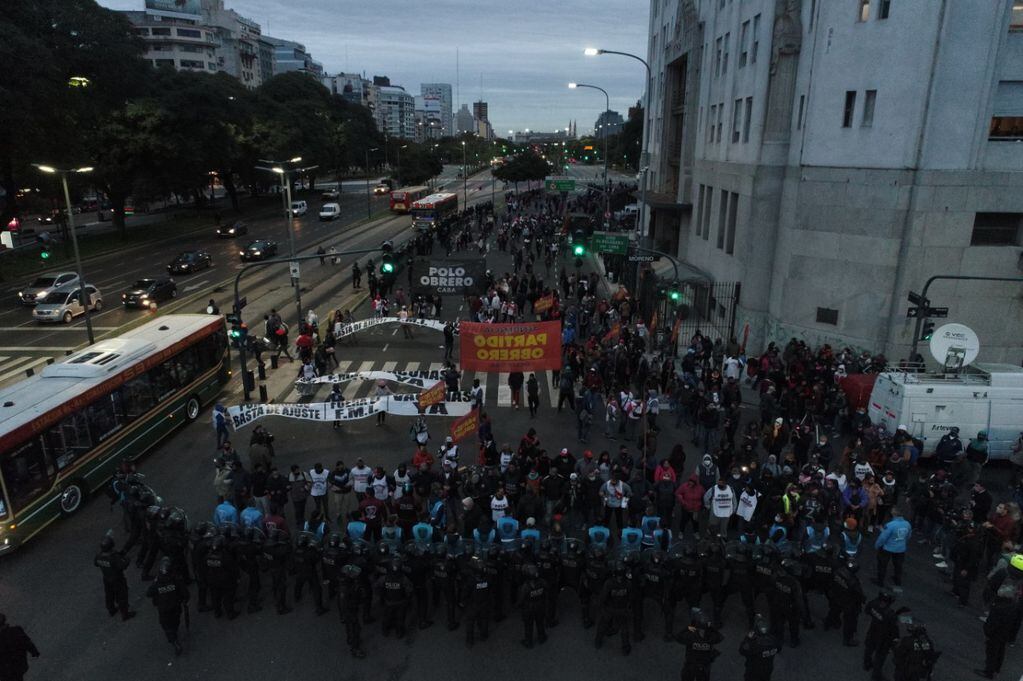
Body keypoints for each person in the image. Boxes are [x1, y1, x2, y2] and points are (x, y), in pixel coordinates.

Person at [146, 557, 189, 656]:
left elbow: (149, 593)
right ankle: (174, 634)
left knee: (166, 625)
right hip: (175, 606)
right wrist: (185, 600)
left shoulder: (157, 582)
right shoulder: (176, 579)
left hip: (163, 608)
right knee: (175, 621)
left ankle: (174, 641)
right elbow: (185, 593)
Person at [976, 584, 1019, 679]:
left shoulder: (998, 607)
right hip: (1004, 634)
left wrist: (987, 632)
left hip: (995, 634)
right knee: (1000, 652)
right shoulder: (1013, 607)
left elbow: (992, 622)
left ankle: (988, 672)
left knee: (991, 653)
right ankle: (996, 670)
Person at [677, 608, 723, 681]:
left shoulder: (691, 635)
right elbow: (720, 637)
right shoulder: (711, 636)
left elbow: (678, 638)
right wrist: (711, 628)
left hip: (691, 664)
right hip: (704, 665)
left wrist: (687, 628)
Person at [863, 590, 898, 681]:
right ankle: (876, 675)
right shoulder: (891, 614)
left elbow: (867, 610)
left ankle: (866, 664)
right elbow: (893, 631)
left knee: (869, 649)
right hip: (883, 638)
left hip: (872, 631)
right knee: (880, 657)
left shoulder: (874, 603)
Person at [875, 507, 912, 591]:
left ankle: (880, 581)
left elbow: (883, 538)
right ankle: (897, 580)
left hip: (888, 548)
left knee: (882, 565)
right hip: (901, 549)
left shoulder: (890, 525)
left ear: (894, 514)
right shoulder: (907, 524)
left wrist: (877, 545)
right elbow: (908, 536)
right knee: (898, 566)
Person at [739, 614, 781, 681]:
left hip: (753, 671)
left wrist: (747, 638)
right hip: (767, 670)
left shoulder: (753, 644)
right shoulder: (774, 640)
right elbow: (779, 649)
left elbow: (742, 650)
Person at [338, 565, 367, 658]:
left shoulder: (347, 584)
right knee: (355, 629)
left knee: (349, 627)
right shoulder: (346, 588)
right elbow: (344, 604)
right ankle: (355, 649)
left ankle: (350, 639)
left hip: (349, 611)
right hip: (350, 612)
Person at [0, 613, 40, 681]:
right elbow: (27, 643)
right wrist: (34, 652)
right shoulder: (16, 631)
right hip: (17, 666)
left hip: (5, 670)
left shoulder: (14, 632)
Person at [519, 563, 548, 648]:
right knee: (540, 623)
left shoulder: (525, 587)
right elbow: (546, 591)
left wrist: (519, 607)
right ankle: (542, 637)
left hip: (528, 609)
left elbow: (521, 600)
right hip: (540, 606)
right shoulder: (542, 582)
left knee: (528, 626)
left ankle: (529, 642)